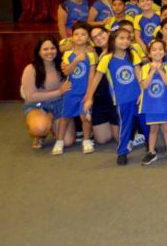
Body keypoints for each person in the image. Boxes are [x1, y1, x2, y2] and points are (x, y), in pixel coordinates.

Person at [84, 29, 148, 166]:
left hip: (138, 98)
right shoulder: (106, 58)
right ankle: (123, 151)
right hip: (122, 100)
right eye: (121, 38)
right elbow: (96, 79)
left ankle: (151, 147)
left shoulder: (132, 55)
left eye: (127, 38)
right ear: (113, 40)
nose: (125, 41)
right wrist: (89, 98)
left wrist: (143, 93)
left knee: (145, 123)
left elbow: (139, 76)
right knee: (125, 125)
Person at [21, 37, 73, 149]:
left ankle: (52, 122)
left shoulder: (63, 65)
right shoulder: (30, 69)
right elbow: (31, 97)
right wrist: (59, 92)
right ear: (38, 52)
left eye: (52, 48)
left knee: (68, 142)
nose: (49, 52)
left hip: (60, 104)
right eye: (45, 49)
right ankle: (42, 131)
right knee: (39, 128)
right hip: (38, 105)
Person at [53, 22, 97, 155]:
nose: (79, 37)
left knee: (85, 117)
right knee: (65, 116)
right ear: (71, 36)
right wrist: (77, 60)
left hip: (85, 91)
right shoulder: (67, 54)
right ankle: (59, 141)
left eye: (83, 34)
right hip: (70, 91)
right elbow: (66, 72)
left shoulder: (92, 54)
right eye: (76, 34)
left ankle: (86, 140)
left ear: (88, 38)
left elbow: (92, 75)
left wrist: (89, 94)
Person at [138, 40, 167, 165]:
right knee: (153, 129)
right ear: (149, 54)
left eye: (160, 49)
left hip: (164, 104)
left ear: (164, 52)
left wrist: (160, 71)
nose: (157, 52)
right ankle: (151, 152)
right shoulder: (144, 68)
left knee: (166, 128)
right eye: (154, 49)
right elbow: (144, 85)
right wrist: (152, 71)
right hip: (150, 105)